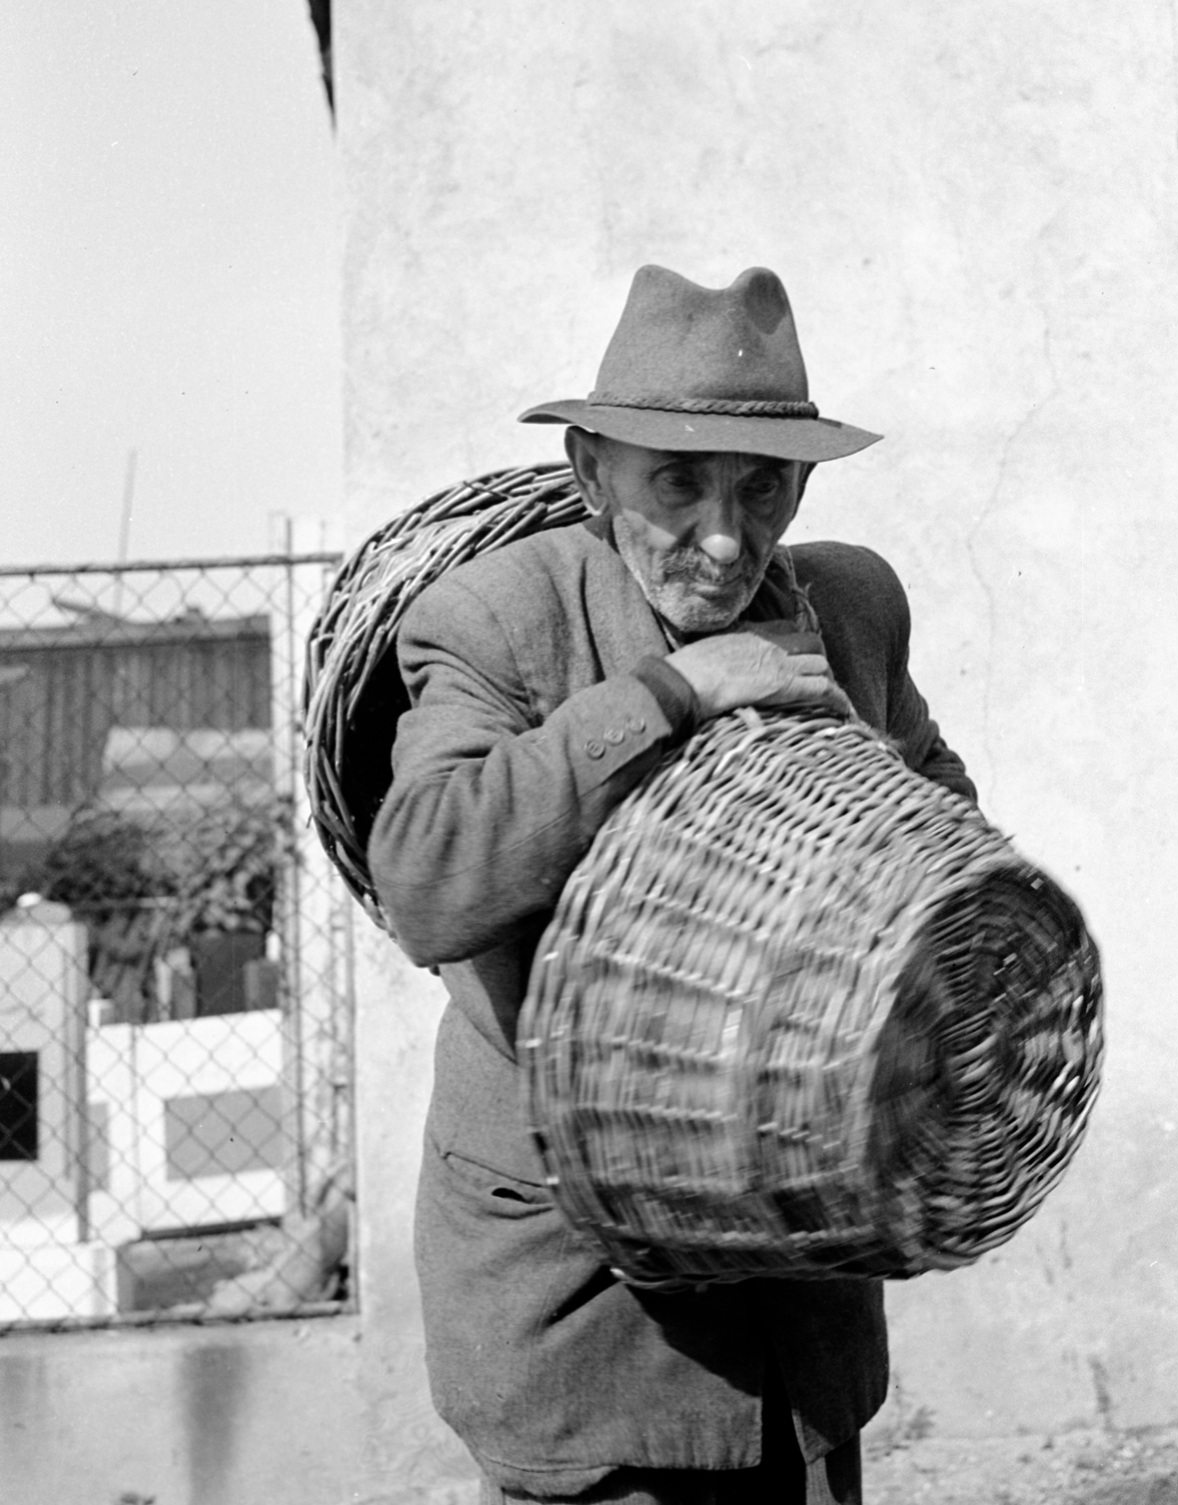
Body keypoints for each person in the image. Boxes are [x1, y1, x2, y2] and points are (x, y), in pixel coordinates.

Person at [369, 265, 976, 1504]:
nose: (722, 535)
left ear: (802, 483)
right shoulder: (496, 618)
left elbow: (945, 825)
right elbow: (425, 873)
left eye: (761, 488)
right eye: (677, 484)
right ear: (591, 473)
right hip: (591, 1307)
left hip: (796, 1283)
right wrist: (672, 695)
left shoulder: (849, 607)